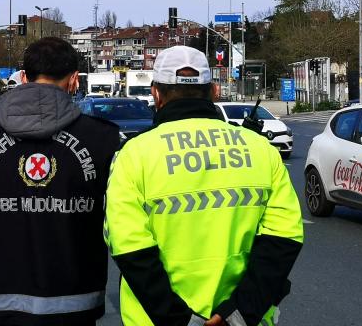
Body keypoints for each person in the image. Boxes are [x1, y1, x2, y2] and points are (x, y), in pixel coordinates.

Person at [105, 46, 304, 326]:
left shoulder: (133, 155)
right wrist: (238, 314)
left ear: (156, 93)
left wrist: (181, 320)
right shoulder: (261, 150)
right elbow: (284, 239)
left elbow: (128, 248)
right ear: (213, 91)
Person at [0, 37, 120, 326]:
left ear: (25, 77)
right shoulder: (102, 138)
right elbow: (115, 221)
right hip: (74, 305)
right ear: (74, 80)